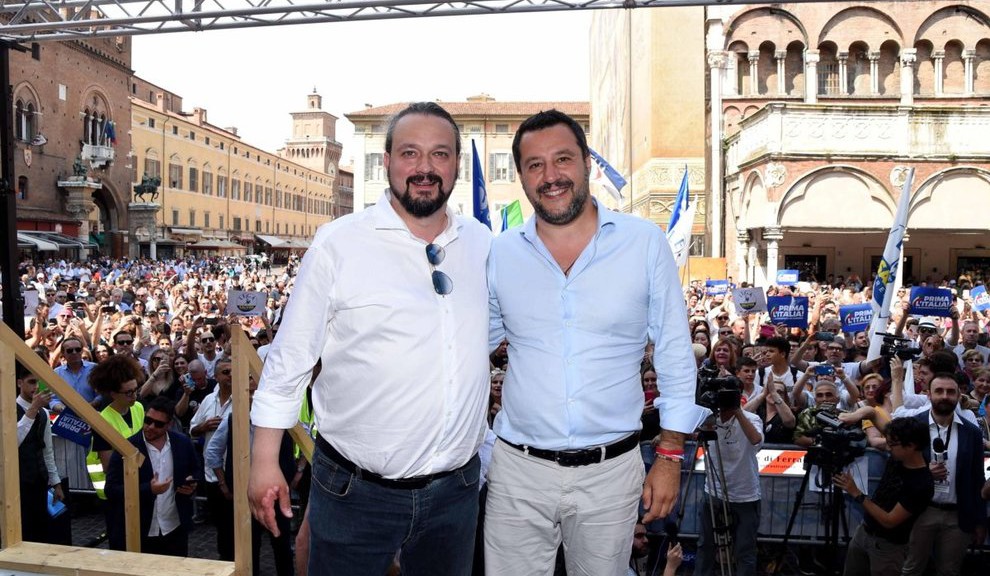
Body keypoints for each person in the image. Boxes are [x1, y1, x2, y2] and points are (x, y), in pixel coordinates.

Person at [248, 102, 492, 576]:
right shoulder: (338, 243)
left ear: (457, 165)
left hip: (455, 495)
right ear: (387, 162)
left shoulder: (481, 243)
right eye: (410, 153)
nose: (424, 168)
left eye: (440, 155)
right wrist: (263, 460)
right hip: (354, 493)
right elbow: (290, 359)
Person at [484, 109, 706, 575]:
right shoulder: (499, 253)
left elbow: (673, 352)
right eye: (535, 165)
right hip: (518, 473)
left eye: (562, 159)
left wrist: (669, 455)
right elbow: (463, 346)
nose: (550, 176)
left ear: (587, 162)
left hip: (612, 472)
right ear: (522, 176)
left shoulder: (644, 243)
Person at [902, 373, 987, 576]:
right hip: (920, 512)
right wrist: (924, 473)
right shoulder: (912, 427)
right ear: (928, 395)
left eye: (951, 392)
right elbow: (897, 472)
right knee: (911, 569)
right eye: (939, 391)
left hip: (957, 516)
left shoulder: (972, 432)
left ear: (959, 395)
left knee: (949, 571)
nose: (945, 396)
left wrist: (980, 520)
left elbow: (977, 479)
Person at [833, 417, 934, 576]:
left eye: (892, 444)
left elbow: (889, 520)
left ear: (911, 446)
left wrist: (856, 493)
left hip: (887, 547)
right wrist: (868, 411)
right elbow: (890, 432)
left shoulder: (921, 484)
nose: (888, 447)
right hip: (864, 532)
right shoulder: (899, 457)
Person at [105, 397, 200, 555]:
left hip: (174, 528)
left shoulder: (182, 443)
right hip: (140, 531)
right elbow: (111, 490)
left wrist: (192, 484)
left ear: (169, 425)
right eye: (147, 420)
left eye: (158, 424)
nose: (150, 427)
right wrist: (148, 489)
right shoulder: (127, 448)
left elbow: (196, 470)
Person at [694, 401, 763, 576]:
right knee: (705, 545)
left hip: (745, 494)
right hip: (714, 492)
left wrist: (738, 412)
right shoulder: (709, 419)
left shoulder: (752, 418)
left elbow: (756, 440)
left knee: (744, 550)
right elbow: (690, 433)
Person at [86, 355, 146, 500]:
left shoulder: (138, 407)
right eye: (128, 393)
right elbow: (108, 466)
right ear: (113, 394)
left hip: (139, 482)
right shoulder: (102, 421)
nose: (134, 396)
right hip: (116, 490)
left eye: (136, 390)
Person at [15, 365, 63, 543]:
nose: (36, 387)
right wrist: (33, 409)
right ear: (20, 383)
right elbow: (12, 442)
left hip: (39, 481)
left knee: (40, 532)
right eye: (31, 382)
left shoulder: (43, 413)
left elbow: (47, 450)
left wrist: (56, 482)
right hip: (16, 483)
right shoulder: (9, 409)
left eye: (39, 383)